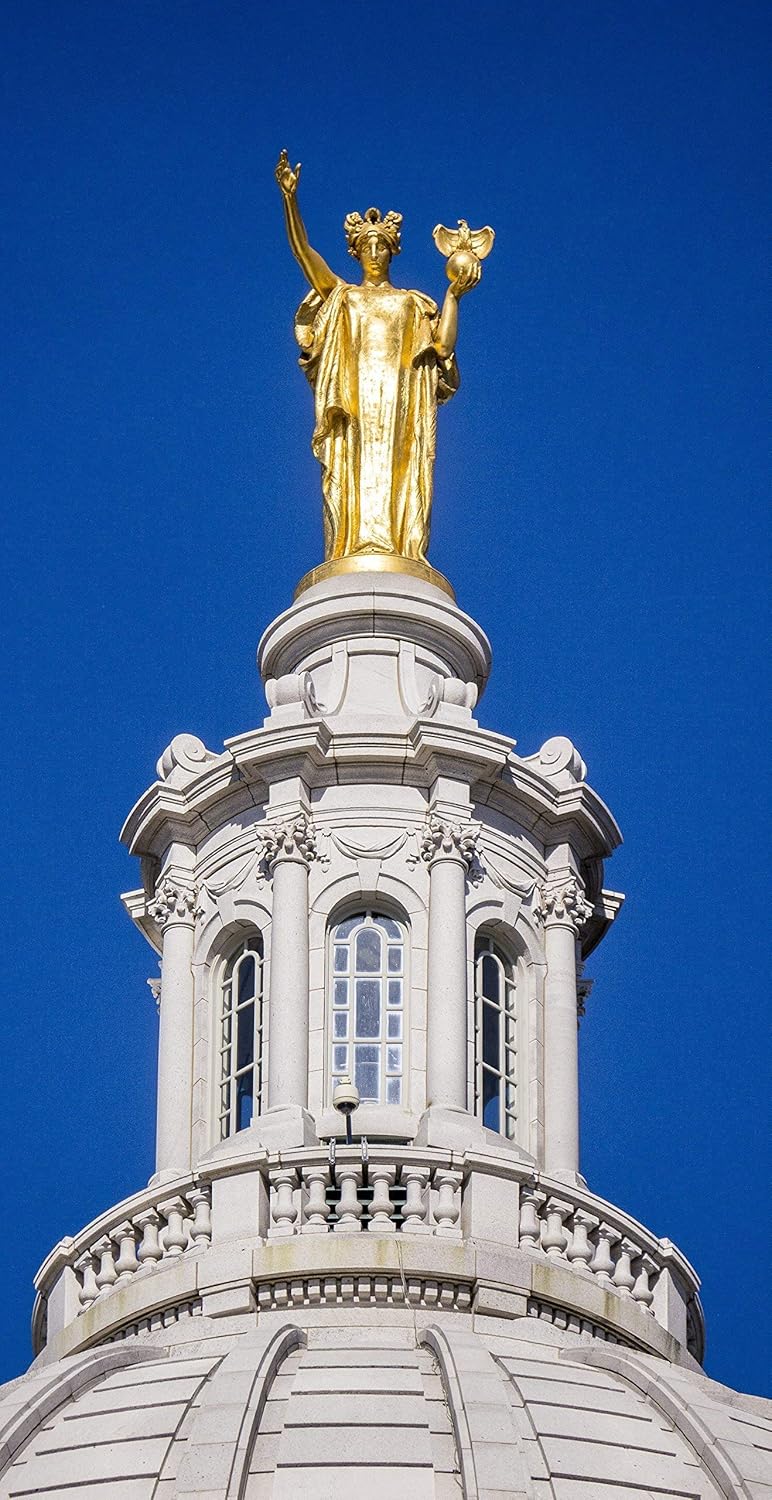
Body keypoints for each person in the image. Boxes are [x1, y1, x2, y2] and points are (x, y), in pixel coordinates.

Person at [275, 150, 480, 564]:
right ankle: (352, 547)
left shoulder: (411, 304)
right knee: (351, 477)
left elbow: (441, 348)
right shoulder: (342, 297)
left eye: (381, 246)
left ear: (392, 252)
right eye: (366, 246)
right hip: (353, 408)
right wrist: (290, 200)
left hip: (401, 406)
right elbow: (303, 254)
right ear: (355, 252)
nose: (373, 252)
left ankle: (400, 547)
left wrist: (453, 296)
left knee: (400, 474)